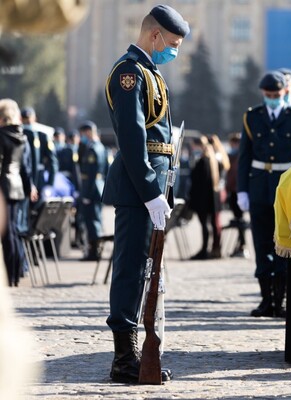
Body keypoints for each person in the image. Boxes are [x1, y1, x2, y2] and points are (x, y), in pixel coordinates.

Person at [102, 4, 190, 383]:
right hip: (139, 187)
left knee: (145, 271)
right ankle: (125, 357)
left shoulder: (150, 72)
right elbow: (133, 140)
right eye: (172, 44)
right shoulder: (130, 73)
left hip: (153, 185)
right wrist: (151, 193)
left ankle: (134, 351)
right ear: (155, 36)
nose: (174, 52)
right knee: (131, 269)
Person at [237, 71, 291, 318]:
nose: (272, 98)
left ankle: (281, 300)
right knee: (261, 243)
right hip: (258, 186)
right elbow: (244, 156)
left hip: (285, 187)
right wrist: (242, 190)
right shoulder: (252, 116)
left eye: (276, 94)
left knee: (284, 243)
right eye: (268, 94)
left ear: (285, 92)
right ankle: (266, 299)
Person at [0, 99, 33, 287]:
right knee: (12, 232)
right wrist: (29, 188)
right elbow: (24, 167)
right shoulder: (22, 136)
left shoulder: (1, 135)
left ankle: (8, 276)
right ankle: (14, 275)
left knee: (6, 234)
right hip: (17, 187)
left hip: (3, 187)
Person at [187, 135, 228, 260]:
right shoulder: (213, 160)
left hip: (203, 199)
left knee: (205, 224)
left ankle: (205, 249)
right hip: (212, 197)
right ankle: (214, 248)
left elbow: (199, 182)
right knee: (213, 223)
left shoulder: (203, 161)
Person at [77, 121, 107, 261]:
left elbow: (91, 173)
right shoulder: (100, 147)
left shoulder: (93, 148)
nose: (81, 136)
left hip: (92, 189)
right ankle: (95, 250)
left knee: (92, 221)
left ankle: (94, 252)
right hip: (98, 187)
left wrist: (87, 194)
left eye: (83, 133)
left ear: (88, 132)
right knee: (96, 219)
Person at [225, 132, 248, 258]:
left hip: (237, 191)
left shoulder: (239, 156)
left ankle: (242, 246)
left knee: (240, 221)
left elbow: (235, 175)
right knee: (239, 220)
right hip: (233, 191)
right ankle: (241, 245)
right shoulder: (233, 156)